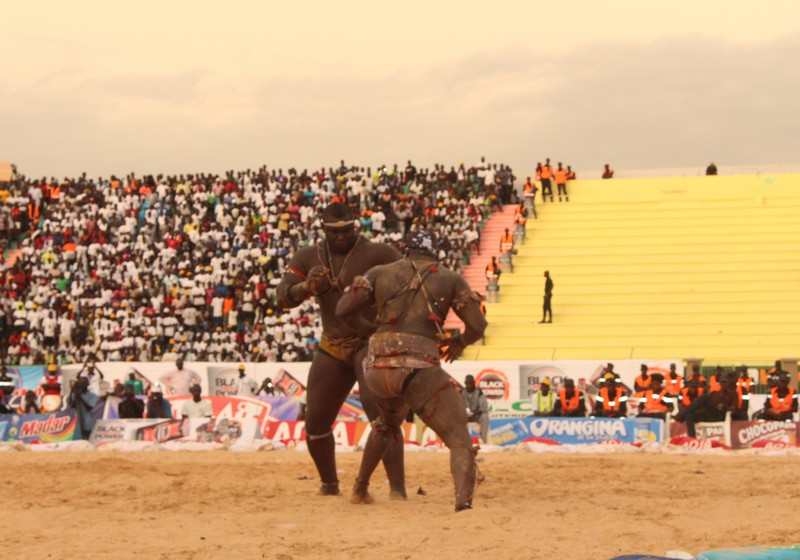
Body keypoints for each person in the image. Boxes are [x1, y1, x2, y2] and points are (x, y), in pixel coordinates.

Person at [335, 228, 487, 511]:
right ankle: (463, 505)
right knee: (458, 438)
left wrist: (371, 331)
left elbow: (343, 309)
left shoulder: (379, 273)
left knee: (387, 423)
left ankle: (360, 488)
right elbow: (478, 326)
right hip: (418, 366)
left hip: (377, 366)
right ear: (436, 252)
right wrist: (459, 343)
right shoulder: (449, 278)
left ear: (407, 249)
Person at [277, 202, 404, 497]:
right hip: (332, 345)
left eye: (348, 230)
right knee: (316, 422)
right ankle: (330, 484)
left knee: (383, 418)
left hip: (368, 343)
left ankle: (398, 489)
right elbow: (283, 296)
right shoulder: (308, 256)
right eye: (335, 232)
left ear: (355, 227)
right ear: (323, 230)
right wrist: (305, 287)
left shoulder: (378, 253)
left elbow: (410, 280)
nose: (342, 236)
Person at [674, 373, 739, 438]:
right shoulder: (714, 393)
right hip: (709, 415)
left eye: (725, 382)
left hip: (720, 415)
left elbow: (734, 408)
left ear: (728, 383)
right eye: (722, 382)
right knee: (689, 416)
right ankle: (692, 438)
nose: (723, 384)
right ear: (720, 383)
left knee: (705, 397)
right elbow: (704, 404)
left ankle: (682, 414)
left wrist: (725, 406)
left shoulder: (733, 394)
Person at [462, 374, 490, 444]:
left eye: (471, 383)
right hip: (465, 416)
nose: (469, 385)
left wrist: (475, 413)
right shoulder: (461, 392)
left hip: (477, 415)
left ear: (474, 383)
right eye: (467, 383)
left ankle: (483, 440)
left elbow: (484, 408)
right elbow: (457, 406)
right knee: (455, 418)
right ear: (465, 383)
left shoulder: (479, 392)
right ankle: (462, 441)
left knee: (485, 416)